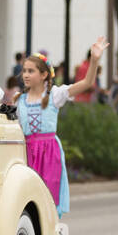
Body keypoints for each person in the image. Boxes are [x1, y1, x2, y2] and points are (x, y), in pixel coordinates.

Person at [18, 38, 108, 221]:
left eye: (31, 71)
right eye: (24, 71)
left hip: (49, 154)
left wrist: (94, 60)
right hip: (27, 152)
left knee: (48, 201)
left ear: (43, 75)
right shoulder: (18, 99)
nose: (26, 75)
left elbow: (86, 84)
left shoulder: (55, 95)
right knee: (26, 201)